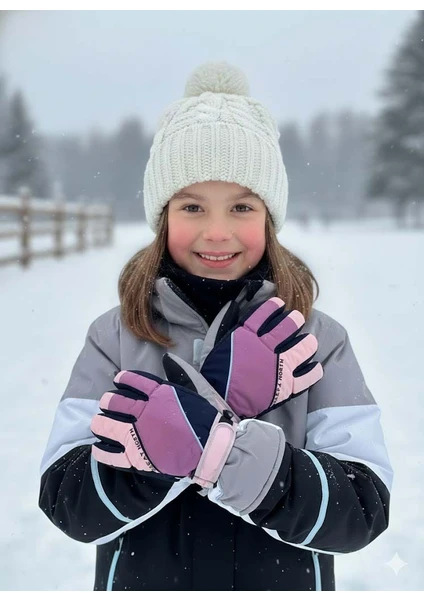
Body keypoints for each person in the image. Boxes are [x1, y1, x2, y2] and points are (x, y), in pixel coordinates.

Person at [38, 62, 393, 592]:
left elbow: (362, 509)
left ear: (269, 217)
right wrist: (210, 410)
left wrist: (213, 444)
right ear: (164, 216)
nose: (218, 232)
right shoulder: (114, 337)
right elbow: (68, 503)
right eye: (193, 206)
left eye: (242, 206)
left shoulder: (316, 340)